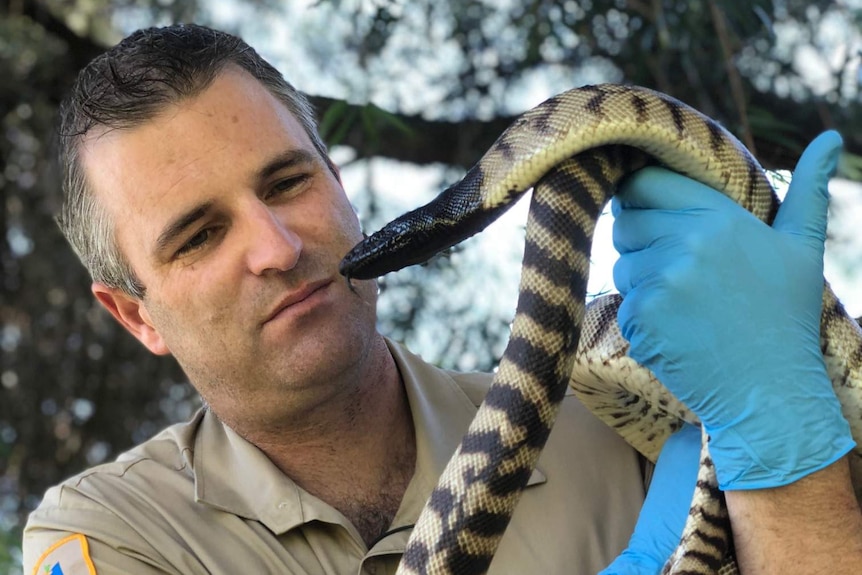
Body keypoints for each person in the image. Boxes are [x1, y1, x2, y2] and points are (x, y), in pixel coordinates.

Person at [22, 23, 861, 575]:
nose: (278, 248)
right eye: (199, 235)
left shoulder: (612, 420)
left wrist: (777, 426)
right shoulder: (112, 531)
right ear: (135, 314)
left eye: (288, 182)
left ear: (343, 187)